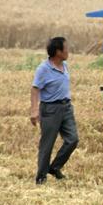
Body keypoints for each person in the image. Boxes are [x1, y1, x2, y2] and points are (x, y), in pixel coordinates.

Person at [30, 36, 79, 185]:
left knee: (73, 140)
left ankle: (55, 167)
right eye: (66, 48)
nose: (68, 51)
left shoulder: (65, 66)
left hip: (66, 107)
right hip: (50, 109)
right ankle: (41, 177)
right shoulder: (43, 69)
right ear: (58, 51)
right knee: (47, 144)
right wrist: (34, 111)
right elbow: (35, 89)